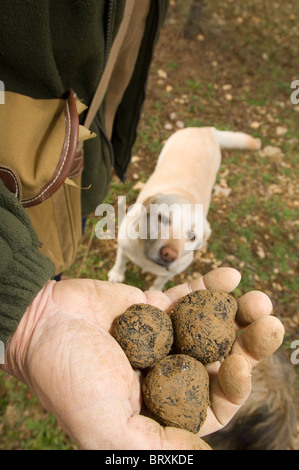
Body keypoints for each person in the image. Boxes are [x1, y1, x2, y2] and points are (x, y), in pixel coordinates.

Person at [0, 1, 284, 450]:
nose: (173, 247)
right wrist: (29, 316)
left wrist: (33, 320)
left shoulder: (189, 240)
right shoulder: (138, 216)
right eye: (164, 222)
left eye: (189, 238)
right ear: (146, 208)